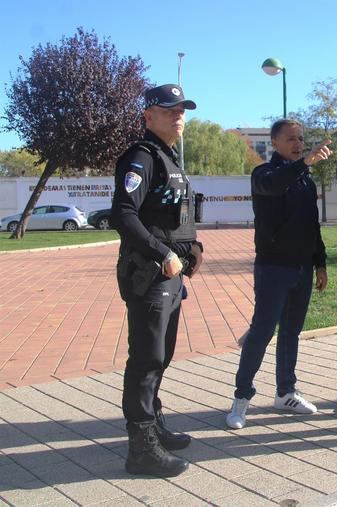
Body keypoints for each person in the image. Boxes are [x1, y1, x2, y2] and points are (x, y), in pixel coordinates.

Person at [111, 84, 203, 476]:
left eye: (181, 109)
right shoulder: (141, 157)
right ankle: (141, 450)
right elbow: (124, 215)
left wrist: (190, 246)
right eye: (169, 110)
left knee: (160, 356)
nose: (178, 115)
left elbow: (171, 217)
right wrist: (163, 253)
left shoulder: (167, 157)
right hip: (151, 275)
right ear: (149, 116)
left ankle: (155, 425)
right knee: (146, 360)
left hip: (171, 278)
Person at [225, 119, 332, 429]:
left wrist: (320, 263)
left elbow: (313, 226)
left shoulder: (305, 181)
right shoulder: (264, 174)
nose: (298, 143)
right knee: (261, 332)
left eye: (301, 138)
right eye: (291, 139)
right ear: (275, 143)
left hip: (301, 270)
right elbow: (273, 186)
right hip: (273, 269)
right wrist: (306, 163)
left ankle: (286, 392)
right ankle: (241, 399)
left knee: (290, 333)